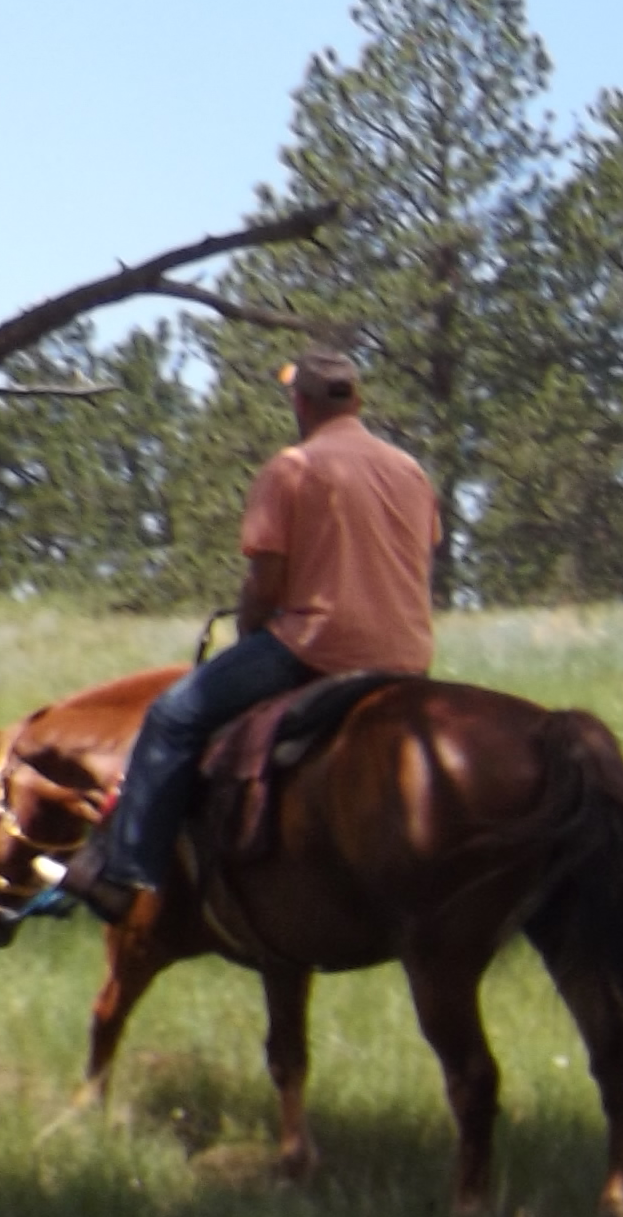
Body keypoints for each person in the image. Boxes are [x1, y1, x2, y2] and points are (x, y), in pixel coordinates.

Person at [64, 346, 441, 924]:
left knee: (173, 716)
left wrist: (250, 632)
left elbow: (265, 586)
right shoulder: (410, 471)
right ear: (357, 401)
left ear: (300, 403)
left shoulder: (291, 469)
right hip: (408, 656)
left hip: (317, 649)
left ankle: (128, 871)